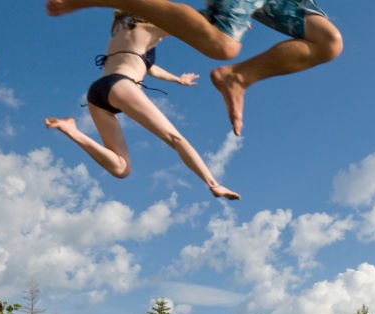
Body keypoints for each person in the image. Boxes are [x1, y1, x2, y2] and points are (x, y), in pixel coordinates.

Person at [46, 0, 344, 136]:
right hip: (115, 80)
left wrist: (177, 79)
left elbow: (154, 70)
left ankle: (237, 77)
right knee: (223, 46)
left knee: (328, 42)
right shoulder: (138, 37)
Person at [45, 11, 240, 199]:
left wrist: (177, 79)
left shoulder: (120, 33)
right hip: (121, 85)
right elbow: (190, 19)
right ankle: (213, 184)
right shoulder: (150, 27)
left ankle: (72, 130)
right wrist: (233, 20)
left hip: (97, 93)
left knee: (121, 169)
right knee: (176, 139)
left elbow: (150, 68)